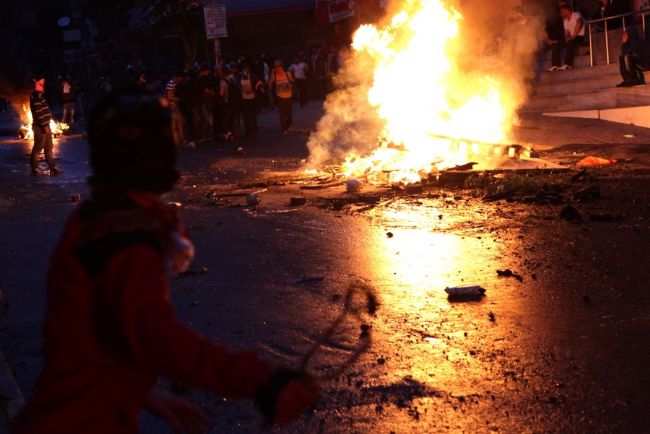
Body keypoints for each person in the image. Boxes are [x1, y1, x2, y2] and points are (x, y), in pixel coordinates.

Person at [9, 86, 318, 434]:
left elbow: (92, 344)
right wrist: (260, 379)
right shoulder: (124, 241)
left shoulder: (93, 220)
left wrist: (141, 393)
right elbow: (158, 338)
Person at [29, 75, 62, 176]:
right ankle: (35, 168)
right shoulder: (36, 96)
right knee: (38, 148)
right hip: (40, 127)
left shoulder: (39, 95)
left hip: (45, 125)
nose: (43, 87)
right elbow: (39, 112)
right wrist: (44, 125)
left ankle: (53, 167)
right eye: (41, 85)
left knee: (48, 147)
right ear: (37, 85)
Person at [548, 4, 585, 71]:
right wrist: (561, 40)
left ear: (566, 10)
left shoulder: (576, 14)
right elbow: (566, 33)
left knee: (570, 41)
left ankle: (568, 64)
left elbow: (579, 23)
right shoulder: (565, 21)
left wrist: (573, 35)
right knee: (556, 43)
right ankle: (555, 65)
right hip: (573, 38)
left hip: (580, 37)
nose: (561, 14)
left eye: (562, 12)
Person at [269, 60, 294, 135]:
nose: (277, 68)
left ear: (281, 66)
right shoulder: (274, 75)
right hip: (280, 97)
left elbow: (292, 81)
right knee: (282, 114)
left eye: (278, 66)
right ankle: (284, 129)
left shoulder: (287, 73)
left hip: (288, 95)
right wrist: (272, 75)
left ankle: (288, 125)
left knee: (289, 114)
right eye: (275, 67)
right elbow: (270, 84)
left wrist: (291, 85)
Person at [240, 64, 264, 137]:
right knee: (246, 116)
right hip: (244, 98)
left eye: (246, 70)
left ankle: (254, 130)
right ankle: (248, 131)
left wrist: (257, 88)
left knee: (253, 115)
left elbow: (260, 82)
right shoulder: (240, 77)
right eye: (244, 70)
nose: (245, 72)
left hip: (252, 97)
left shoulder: (253, 76)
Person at [165, 71, 186, 146]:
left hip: (174, 105)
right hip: (171, 106)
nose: (181, 80)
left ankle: (181, 138)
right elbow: (168, 97)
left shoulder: (175, 83)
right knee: (174, 123)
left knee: (180, 121)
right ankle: (176, 140)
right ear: (177, 77)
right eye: (180, 78)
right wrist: (178, 99)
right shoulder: (171, 84)